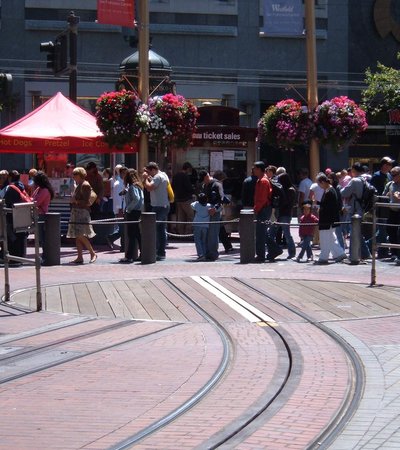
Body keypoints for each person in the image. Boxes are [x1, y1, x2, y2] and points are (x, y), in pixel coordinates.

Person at [340, 162, 372, 260]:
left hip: (354, 209)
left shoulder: (354, 181)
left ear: (353, 171)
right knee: (357, 232)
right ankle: (362, 253)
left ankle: (361, 253)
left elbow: (344, 193)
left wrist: (341, 187)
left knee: (354, 232)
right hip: (362, 208)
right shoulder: (365, 180)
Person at [253, 161, 282, 262]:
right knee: (262, 232)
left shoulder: (263, 181)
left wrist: (256, 209)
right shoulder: (262, 180)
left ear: (260, 169)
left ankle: (261, 255)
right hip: (264, 208)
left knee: (260, 233)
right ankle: (274, 250)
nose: (253, 170)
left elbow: (262, 198)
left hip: (263, 208)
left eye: (255, 168)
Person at [66, 167, 97, 264]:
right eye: (73, 174)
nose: (73, 177)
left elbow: (86, 201)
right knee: (77, 235)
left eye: (75, 175)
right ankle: (80, 256)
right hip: (76, 211)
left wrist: (75, 201)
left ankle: (92, 253)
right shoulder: (79, 185)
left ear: (80, 175)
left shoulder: (85, 185)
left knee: (80, 234)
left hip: (82, 212)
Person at [315, 173, 347, 265]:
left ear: (322, 182)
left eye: (319, 184)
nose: (319, 186)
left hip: (327, 220)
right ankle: (339, 253)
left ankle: (324, 257)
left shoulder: (329, 191)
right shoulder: (330, 190)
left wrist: (319, 206)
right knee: (331, 238)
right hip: (330, 219)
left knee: (325, 238)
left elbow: (328, 206)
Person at [143, 162, 170, 261]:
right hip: (163, 205)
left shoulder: (158, 177)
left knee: (154, 230)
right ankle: (161, 252)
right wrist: (150, 179)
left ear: (153, 169)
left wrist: (145, 178)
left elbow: (149, 187)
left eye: (149, 172)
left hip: (159, 207)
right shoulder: (163, 175)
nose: (149, 174)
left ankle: (155, 251)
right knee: (161, 230)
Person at [3, 170, 30, 265]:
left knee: (12, 236)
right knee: (21, 235)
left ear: (10, 177)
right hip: (22, 214)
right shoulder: (22, 187)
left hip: (11, 216)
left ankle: (14, 258)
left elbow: (5, 201)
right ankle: (21, 257)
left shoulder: (10, 188)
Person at [370, 156, 394, 258]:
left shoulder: (389, 175)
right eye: (389, 164)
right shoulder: (376, 176)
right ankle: (381, 251)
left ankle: (376, 247)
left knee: (383, 229)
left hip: (388, 205)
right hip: (380, 206)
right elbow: (373, 191)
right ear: (384, 165)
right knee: (381, 228)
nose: (391, 166)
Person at [119, 169, 144, 264]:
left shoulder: (132, 187)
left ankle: (129, 256)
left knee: (131, 234)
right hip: (137, 211)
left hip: (132, 212)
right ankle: (142, 253)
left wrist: (128, 209)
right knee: (137, 234)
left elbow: (136, 199)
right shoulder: (139, 186)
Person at [198, 170, 223, 260]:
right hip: (206, 211)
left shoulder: (216, 185)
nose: (203, 182)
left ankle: (213, 254)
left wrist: (215, 209)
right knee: (206, 234)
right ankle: (207, 252)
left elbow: (221, 199)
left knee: (213, 233)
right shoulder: (205, 185)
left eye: (203, 179)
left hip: (214, 211)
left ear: (207, 176)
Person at [32, 171, 55, 262]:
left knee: (42, 237)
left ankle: (45, 256)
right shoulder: (38, 189)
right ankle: (42, 256)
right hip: (37, 215)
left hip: (42, 215)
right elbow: (31, 198)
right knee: (39, 237)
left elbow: (36, 202)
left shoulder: (45, 191)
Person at [276, 172, 296, 259]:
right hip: (282, 213)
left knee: (287, 233)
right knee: (272, 232)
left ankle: (292, 252)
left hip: (286, 213)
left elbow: (286, 202)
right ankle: (274, 249)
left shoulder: (290, 190)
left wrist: (279, 201)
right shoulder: (285, 189)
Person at [382, 166, 400, 265]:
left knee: (399, 233)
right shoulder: (390, 184)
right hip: (392, 211)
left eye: (395, 175)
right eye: (391, 175)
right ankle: (394, 253)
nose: (392, 177)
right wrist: (388, 195)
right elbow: (384, 195)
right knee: (390, 230)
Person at [171, 162, 195, 235]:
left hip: (178, 199)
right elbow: (189, 188)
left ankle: (180, 233)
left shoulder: (176, 176)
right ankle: (188, 232)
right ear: (188, 169)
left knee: (181, 217)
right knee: (191, 216)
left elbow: (173, 187)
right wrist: (193, 190)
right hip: (186, 199)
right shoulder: (185, 176)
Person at [213, 170, 233, 253]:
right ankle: (227, 246)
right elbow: (222, 197)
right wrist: (227, 201)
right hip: (216, 209)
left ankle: (227, 246)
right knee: (220, 229)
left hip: (209, 209)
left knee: (219, 229)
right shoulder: (218, 184)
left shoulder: (209, 183)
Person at [191, 192, 213, 261]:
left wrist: (196, 201)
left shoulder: (197, 205)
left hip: (197, 224)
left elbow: (191, 205)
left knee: (197, 240)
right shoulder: (209, 205)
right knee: (204, 240)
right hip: (205, 225)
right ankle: (204, 254)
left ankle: (200, 254)